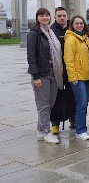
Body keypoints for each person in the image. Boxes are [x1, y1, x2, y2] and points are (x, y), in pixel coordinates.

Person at [27, 8, 63, 144]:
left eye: (47, 15)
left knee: (50, 104)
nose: (45, 18)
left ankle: (40, 131)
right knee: (43, 105)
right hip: (41, 75)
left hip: (54, 73)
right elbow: (31, 56)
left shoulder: (50, 32)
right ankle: (47, 132)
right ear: (37, 18)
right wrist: (35, 76)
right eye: (41, 15)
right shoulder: (34, 34)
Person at [64, 15, 89, 140]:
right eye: (77, 23)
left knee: (84, 103)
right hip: (78, 78)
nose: (79, 25)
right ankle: (80, 130)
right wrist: (73, 77)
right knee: (81, 103)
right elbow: (68, 59)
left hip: (87, 76)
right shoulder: (70, 39)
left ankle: (83, 128)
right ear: (72, 25)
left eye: (81, 23)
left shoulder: (85, 38)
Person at [50, 7, 76, 134]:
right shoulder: (51, 31)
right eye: (59, 16)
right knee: (56, 98)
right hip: (57, 70)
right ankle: (55, 123)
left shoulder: (73, 29)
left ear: (67, 16)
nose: (62, 18)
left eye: (64, 15)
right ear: (55, 17)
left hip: (71, 70)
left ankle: (73, 119)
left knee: (73, 96)